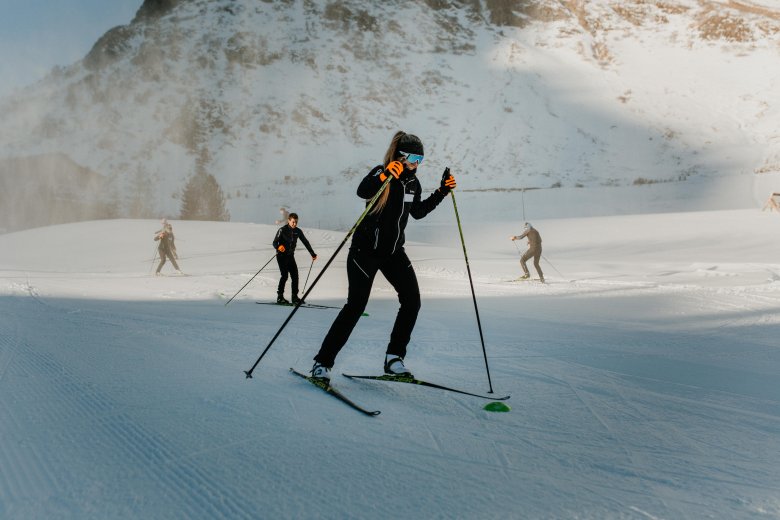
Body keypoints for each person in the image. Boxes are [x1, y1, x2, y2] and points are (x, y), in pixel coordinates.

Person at [309, 131, 457, 380]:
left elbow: (418, 212)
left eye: (420, 159)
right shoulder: (382, 173)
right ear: (400, 155)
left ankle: (394, 358)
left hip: (393, 253)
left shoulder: (413, 183)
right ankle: (322, 363)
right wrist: (386, 174)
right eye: (412, 157)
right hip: (364, 253)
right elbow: (362, 190)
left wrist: (442, 192)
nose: (416, 164)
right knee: (355, 307)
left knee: (412, 301)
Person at [272, 212, 317, 304]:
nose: (294, 224)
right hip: (281, 256)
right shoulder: (282, 230)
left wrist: (312, 254)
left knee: (295, 276)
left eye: (296, 222)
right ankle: (280, 297)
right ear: (289, 220)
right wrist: (278, 247)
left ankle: (295, 297)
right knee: (284, 275)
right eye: (293, 222)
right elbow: (275, 242)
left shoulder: (298, 231)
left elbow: (305, 242)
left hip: (290, 256)